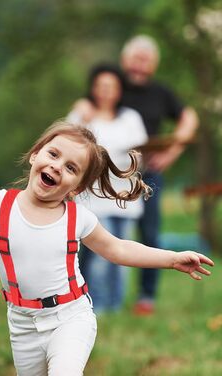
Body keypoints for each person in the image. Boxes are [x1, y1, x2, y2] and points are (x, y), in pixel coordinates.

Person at [0, 121, 212, 376]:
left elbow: (118, 249)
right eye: (52, 154)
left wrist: (171, 259)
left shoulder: (77, 218)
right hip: (21, 323)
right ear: (35, 155)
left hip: (70, 318)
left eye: (70, 168)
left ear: (76, 188)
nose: (56, 167)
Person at [73, 35, 199, 316]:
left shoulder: (160, 92)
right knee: (95, 240)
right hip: (101, 181)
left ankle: (145, 297)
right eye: (136, 58)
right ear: (124, 59)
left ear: (154, 64)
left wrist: (173, 150)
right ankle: (85, 297)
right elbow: (89, 104)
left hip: (145, 175)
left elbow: (189, 117)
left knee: (149, 234)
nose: (140, 65)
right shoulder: (113, 85)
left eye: (146, 60)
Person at [67, 64, 148, 313]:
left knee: (124, 257)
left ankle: (116, 306)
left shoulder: (131, 118)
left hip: (126, 200)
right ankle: (96, 306)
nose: (105, 91)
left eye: (111, 86)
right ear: (93, 89)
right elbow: (69, 149)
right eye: (100, 86)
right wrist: (79, 115)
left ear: (119, 90)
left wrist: (113, 158)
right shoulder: (83, 117)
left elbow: (141, 153)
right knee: (101, 257)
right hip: (94, 200)